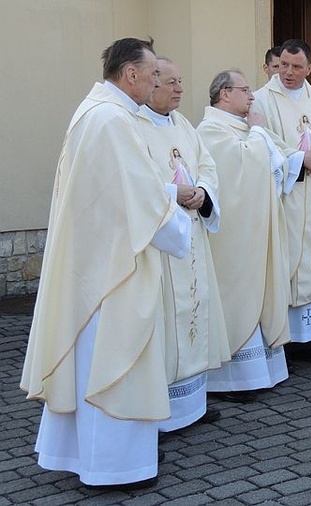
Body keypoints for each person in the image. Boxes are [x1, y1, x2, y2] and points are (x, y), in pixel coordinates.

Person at [20, 38, 191, 490]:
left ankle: (86, 456)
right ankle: (114, 468)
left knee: (92, 360)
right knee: (114, 359)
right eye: (153, 74)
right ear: (130, 74)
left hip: (98, 259)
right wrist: (181, 229)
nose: (158, 81)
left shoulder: (94, 112)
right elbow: (141, 195)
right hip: (114, 267)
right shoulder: (112, 120)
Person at [138, 58, 231, 429]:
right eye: (171, 82)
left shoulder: (184, 126)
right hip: (161, 243)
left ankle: (193, 404)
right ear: (151, 82)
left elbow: (207, 167)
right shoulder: (134, 127)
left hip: (192, 233)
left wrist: (204, 192)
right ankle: (162, 411)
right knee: (165, 321)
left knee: (195, 308)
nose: (180, 89)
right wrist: (172, 193)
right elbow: (136, 182)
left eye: (181, 81)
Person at [197, 70, 291, 402]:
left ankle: (262, 371)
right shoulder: (210, 131)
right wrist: (260, 130)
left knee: (259, 290)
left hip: (255, 229)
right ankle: (231, 380)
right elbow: (243, 168)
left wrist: (258, 133)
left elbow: (277, 162)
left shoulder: (243, 128)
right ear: (224, 93)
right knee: (237, 296)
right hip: (233, 239)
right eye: (245, 90)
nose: (252, 96)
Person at [253, 39, 311, 365]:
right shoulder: (262, 100)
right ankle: (283, 340)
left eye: (296, 67)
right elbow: (262, 142)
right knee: (289, 266)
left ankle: (308, 341)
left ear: (309, 68)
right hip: (288, 197)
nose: (288, 72)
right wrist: (298, 159)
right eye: (283, 65)